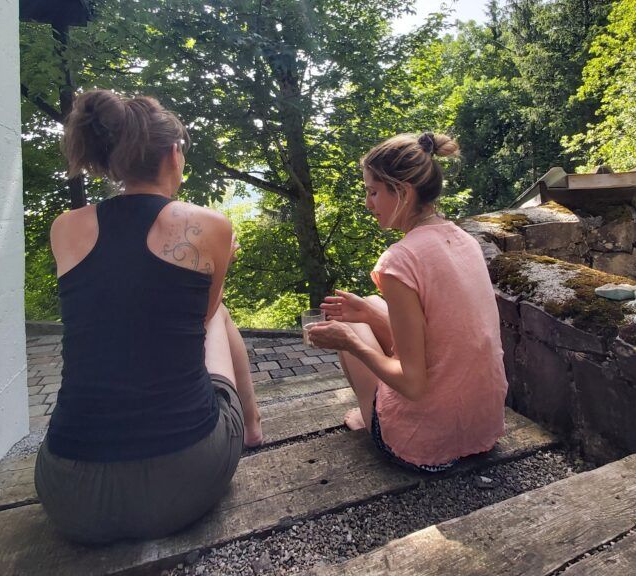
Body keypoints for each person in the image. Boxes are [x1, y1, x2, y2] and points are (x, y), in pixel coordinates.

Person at [34, 89, 262, 544]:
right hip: (184, 479)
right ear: (173, 153)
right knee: (221, 316)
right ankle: (252, 428)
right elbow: (199, 321)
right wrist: (222, 262)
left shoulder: (65, 227)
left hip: (68, 493)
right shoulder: (210, 226)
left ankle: (249, 426)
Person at [308, 132, 508, 472]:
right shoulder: (463, 239)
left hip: (427, 447)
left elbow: (413, 383)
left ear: (402, 191)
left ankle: (370, 417)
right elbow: (444, 338)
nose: (368, 203)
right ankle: (375, 402)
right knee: (371, 303)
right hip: (482, 427)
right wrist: (370, 314)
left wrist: (351, 342)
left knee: (346, 326)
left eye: (373, 192)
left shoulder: (399, 261)